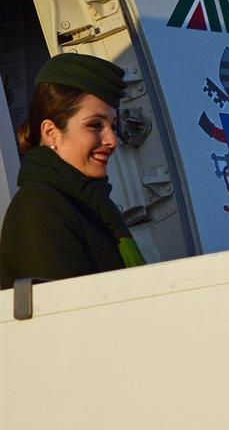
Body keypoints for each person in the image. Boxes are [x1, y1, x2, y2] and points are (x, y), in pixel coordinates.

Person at [0, 53, 146, 289]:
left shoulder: (93, 207)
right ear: (50, 133)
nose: (111, 140)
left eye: (113, 125)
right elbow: (67, 319)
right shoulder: (39, 205)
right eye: (95, 125)